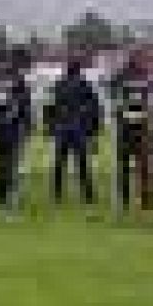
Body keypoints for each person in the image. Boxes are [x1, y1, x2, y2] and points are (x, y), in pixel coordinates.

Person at [44, 55, 103, 204]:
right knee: (82, 162)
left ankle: (57, 193)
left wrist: (50, 127)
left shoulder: (59, 85)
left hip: (62, 127)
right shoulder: (85, 85)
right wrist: (93, 130)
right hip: (79, 128)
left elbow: (50, 107)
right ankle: (87, 194)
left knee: (59, 162)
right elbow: (95, 109)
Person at [0, 48, 33, 209]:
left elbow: (23, 106)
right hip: (10, 127)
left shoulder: (3, 82)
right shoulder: (16, 83)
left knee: (7, 162)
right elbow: (23, 107)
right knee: (10, 162)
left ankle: (4, 195)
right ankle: (8, 196)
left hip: (7, 127)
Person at [111, 48, 153, 211]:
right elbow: (115, 99)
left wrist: (147, 116)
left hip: (141, 125)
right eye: (136, 57)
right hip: (125, 125)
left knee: (143, 164)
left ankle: (145, 199)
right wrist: (121, 112)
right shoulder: (120, 76)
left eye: (139, 56)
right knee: (124, 164)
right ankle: (124, 199)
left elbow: (150, 99)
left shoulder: (146, 76)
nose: (138, 59)